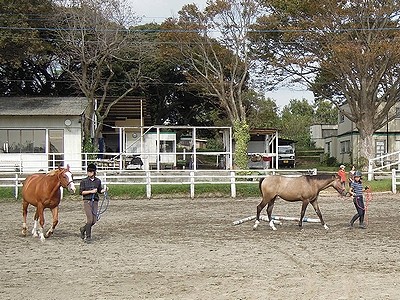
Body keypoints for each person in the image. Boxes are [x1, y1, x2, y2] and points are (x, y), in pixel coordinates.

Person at [79, 163, 107, 243]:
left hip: (95, 201)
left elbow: (99, 190)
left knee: (94, 220)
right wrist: (91, 191)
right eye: (88, 171)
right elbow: (81, 192)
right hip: (87, 201)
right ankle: (88, 237)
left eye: (91, 171)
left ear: (94, 172)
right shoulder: (84, 181)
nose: (89, 173)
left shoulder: (98, 181)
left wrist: (104, 190)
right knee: (90, 219)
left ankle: (83, 229)